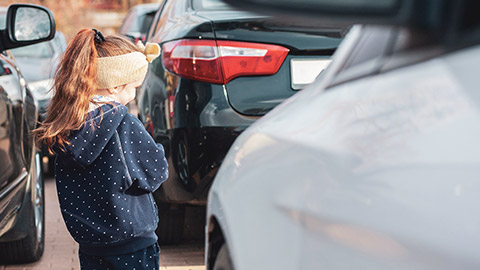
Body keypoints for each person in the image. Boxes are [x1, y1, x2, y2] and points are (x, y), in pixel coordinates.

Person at [33, 28, 168, 270]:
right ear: (115, 86)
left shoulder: (67, 125)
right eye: (133, 86)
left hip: (91, 245)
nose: (135, 93)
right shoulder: (124, 124)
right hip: (132, 242)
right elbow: (155, 172)